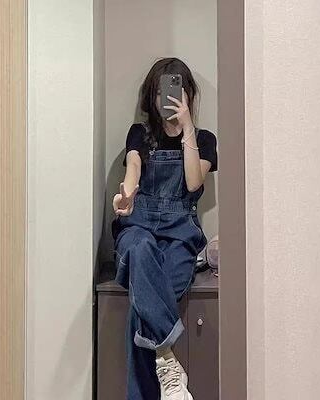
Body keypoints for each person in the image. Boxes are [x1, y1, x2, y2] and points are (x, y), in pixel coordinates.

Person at [111, 57, 218, 400]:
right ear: (150, 96)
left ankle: (156, 371)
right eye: (159, 92)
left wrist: (187, 129)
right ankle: (166, 359)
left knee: (145, 302)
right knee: (140, 249)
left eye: (174, 90)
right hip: (138, 224)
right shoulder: (139, 134)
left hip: (180, 234)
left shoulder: (204, 140)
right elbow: (133, 167)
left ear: (188, 95)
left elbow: (193, 183)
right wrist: (127, 196)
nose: (166, 98)